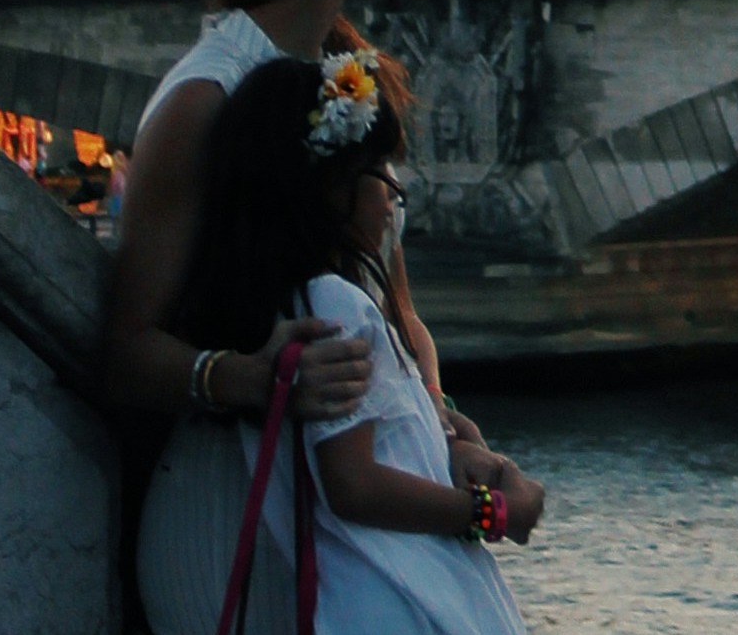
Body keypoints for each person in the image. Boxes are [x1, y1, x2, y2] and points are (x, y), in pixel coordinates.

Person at [107, 0, 497, 635]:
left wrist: (439, 419)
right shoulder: (200, 100)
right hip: (236, 515)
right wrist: (247, 376)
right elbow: (123, 349)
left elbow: (398, 312)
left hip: (359, 523)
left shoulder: (352, 78)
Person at [178, 52, 541, 631]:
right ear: (330, 186)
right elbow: (353, 486)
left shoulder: (291, 302)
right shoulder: (336, 304)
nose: (393, 192)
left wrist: (444, 427)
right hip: (397, 596)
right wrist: (492, 513)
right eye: (381, 171)